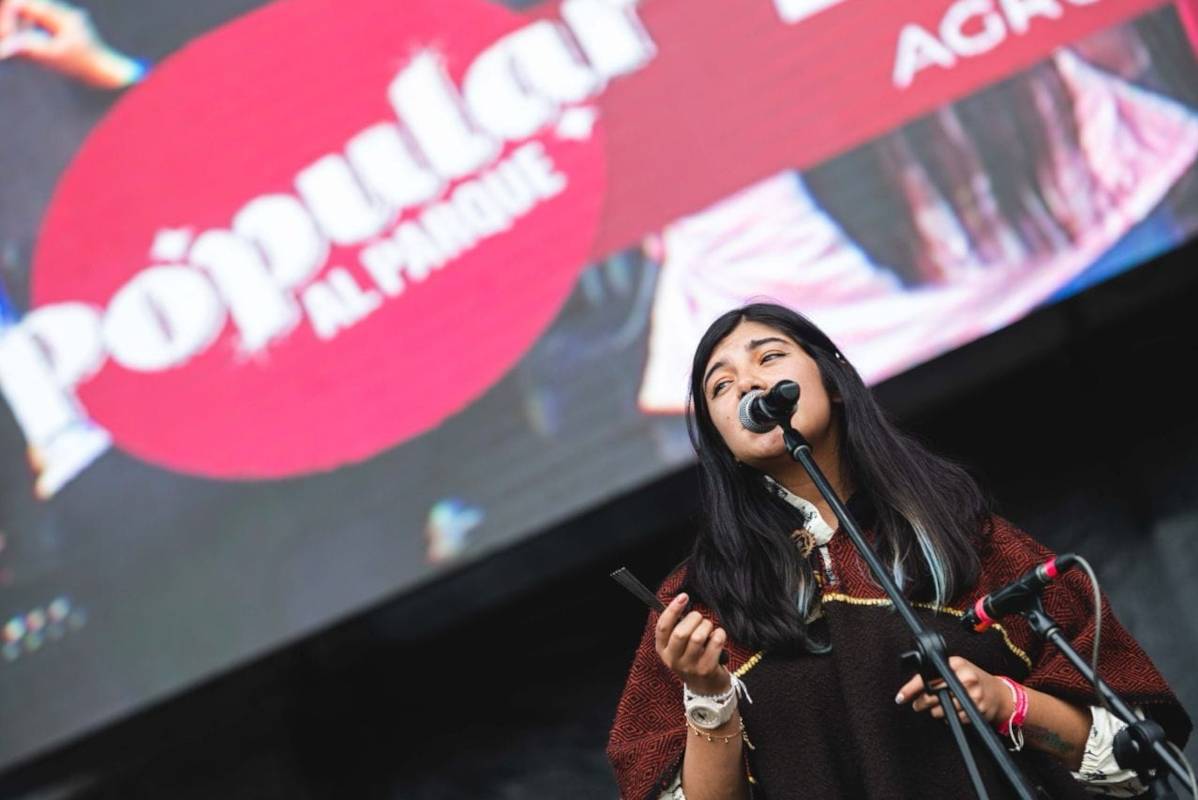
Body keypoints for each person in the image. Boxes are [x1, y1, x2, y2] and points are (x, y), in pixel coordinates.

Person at [606, 302, 1191, 800]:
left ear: (832, 381)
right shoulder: (703, 598)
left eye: (769, 357)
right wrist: (708, 696)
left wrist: (1004, 700)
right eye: (722, 386)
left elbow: (1131, 753)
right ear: (723, 442)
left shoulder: (964, 535)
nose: (749, 385)